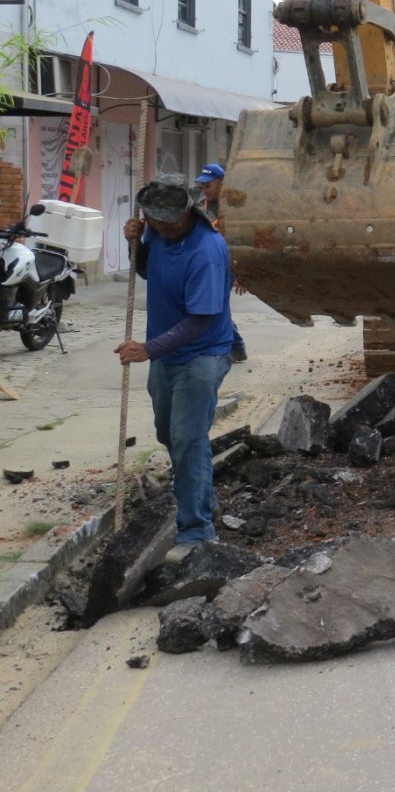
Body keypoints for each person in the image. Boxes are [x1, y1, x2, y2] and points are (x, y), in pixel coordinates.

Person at [115, 174, 236, 550]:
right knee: (169, 435)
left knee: (187, 439)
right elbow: (150, 271)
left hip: (202, 356)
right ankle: (204, 500)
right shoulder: (157, 231)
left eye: (167, 221)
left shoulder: (208, 251)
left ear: (189, 211)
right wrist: (136, 243)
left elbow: (200, 320)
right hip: (166, 355)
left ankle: (197, 531)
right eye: (153, 220)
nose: (160, 226)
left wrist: (149, 349)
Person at [196, 162, 247, 362]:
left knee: (217, 308)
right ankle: (236, 346)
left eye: (208, 186)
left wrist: (242, 275)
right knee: (216, 307)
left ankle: (231, 347)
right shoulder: (202, 207)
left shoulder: (235, 208)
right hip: (208, 264)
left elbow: (241, 242)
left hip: (227, 266)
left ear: (221, 183)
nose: (204, 190)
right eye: (202, 186)